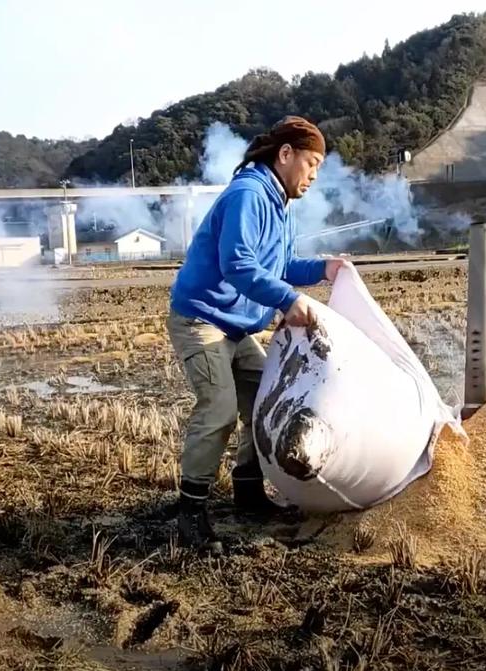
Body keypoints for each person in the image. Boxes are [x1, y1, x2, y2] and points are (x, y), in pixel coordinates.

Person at [167, 116, 351, 553]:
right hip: (201, 319)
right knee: (220, 408)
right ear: (285, 154)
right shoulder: (248, 194)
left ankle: (247, 492)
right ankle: (189, 515)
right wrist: (289, 301)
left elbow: (281, 266)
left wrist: (325, 268)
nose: (313, 176)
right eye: (311, 163)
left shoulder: (281, 207)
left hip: (236, 326)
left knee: (266, 402)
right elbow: (238, 266)